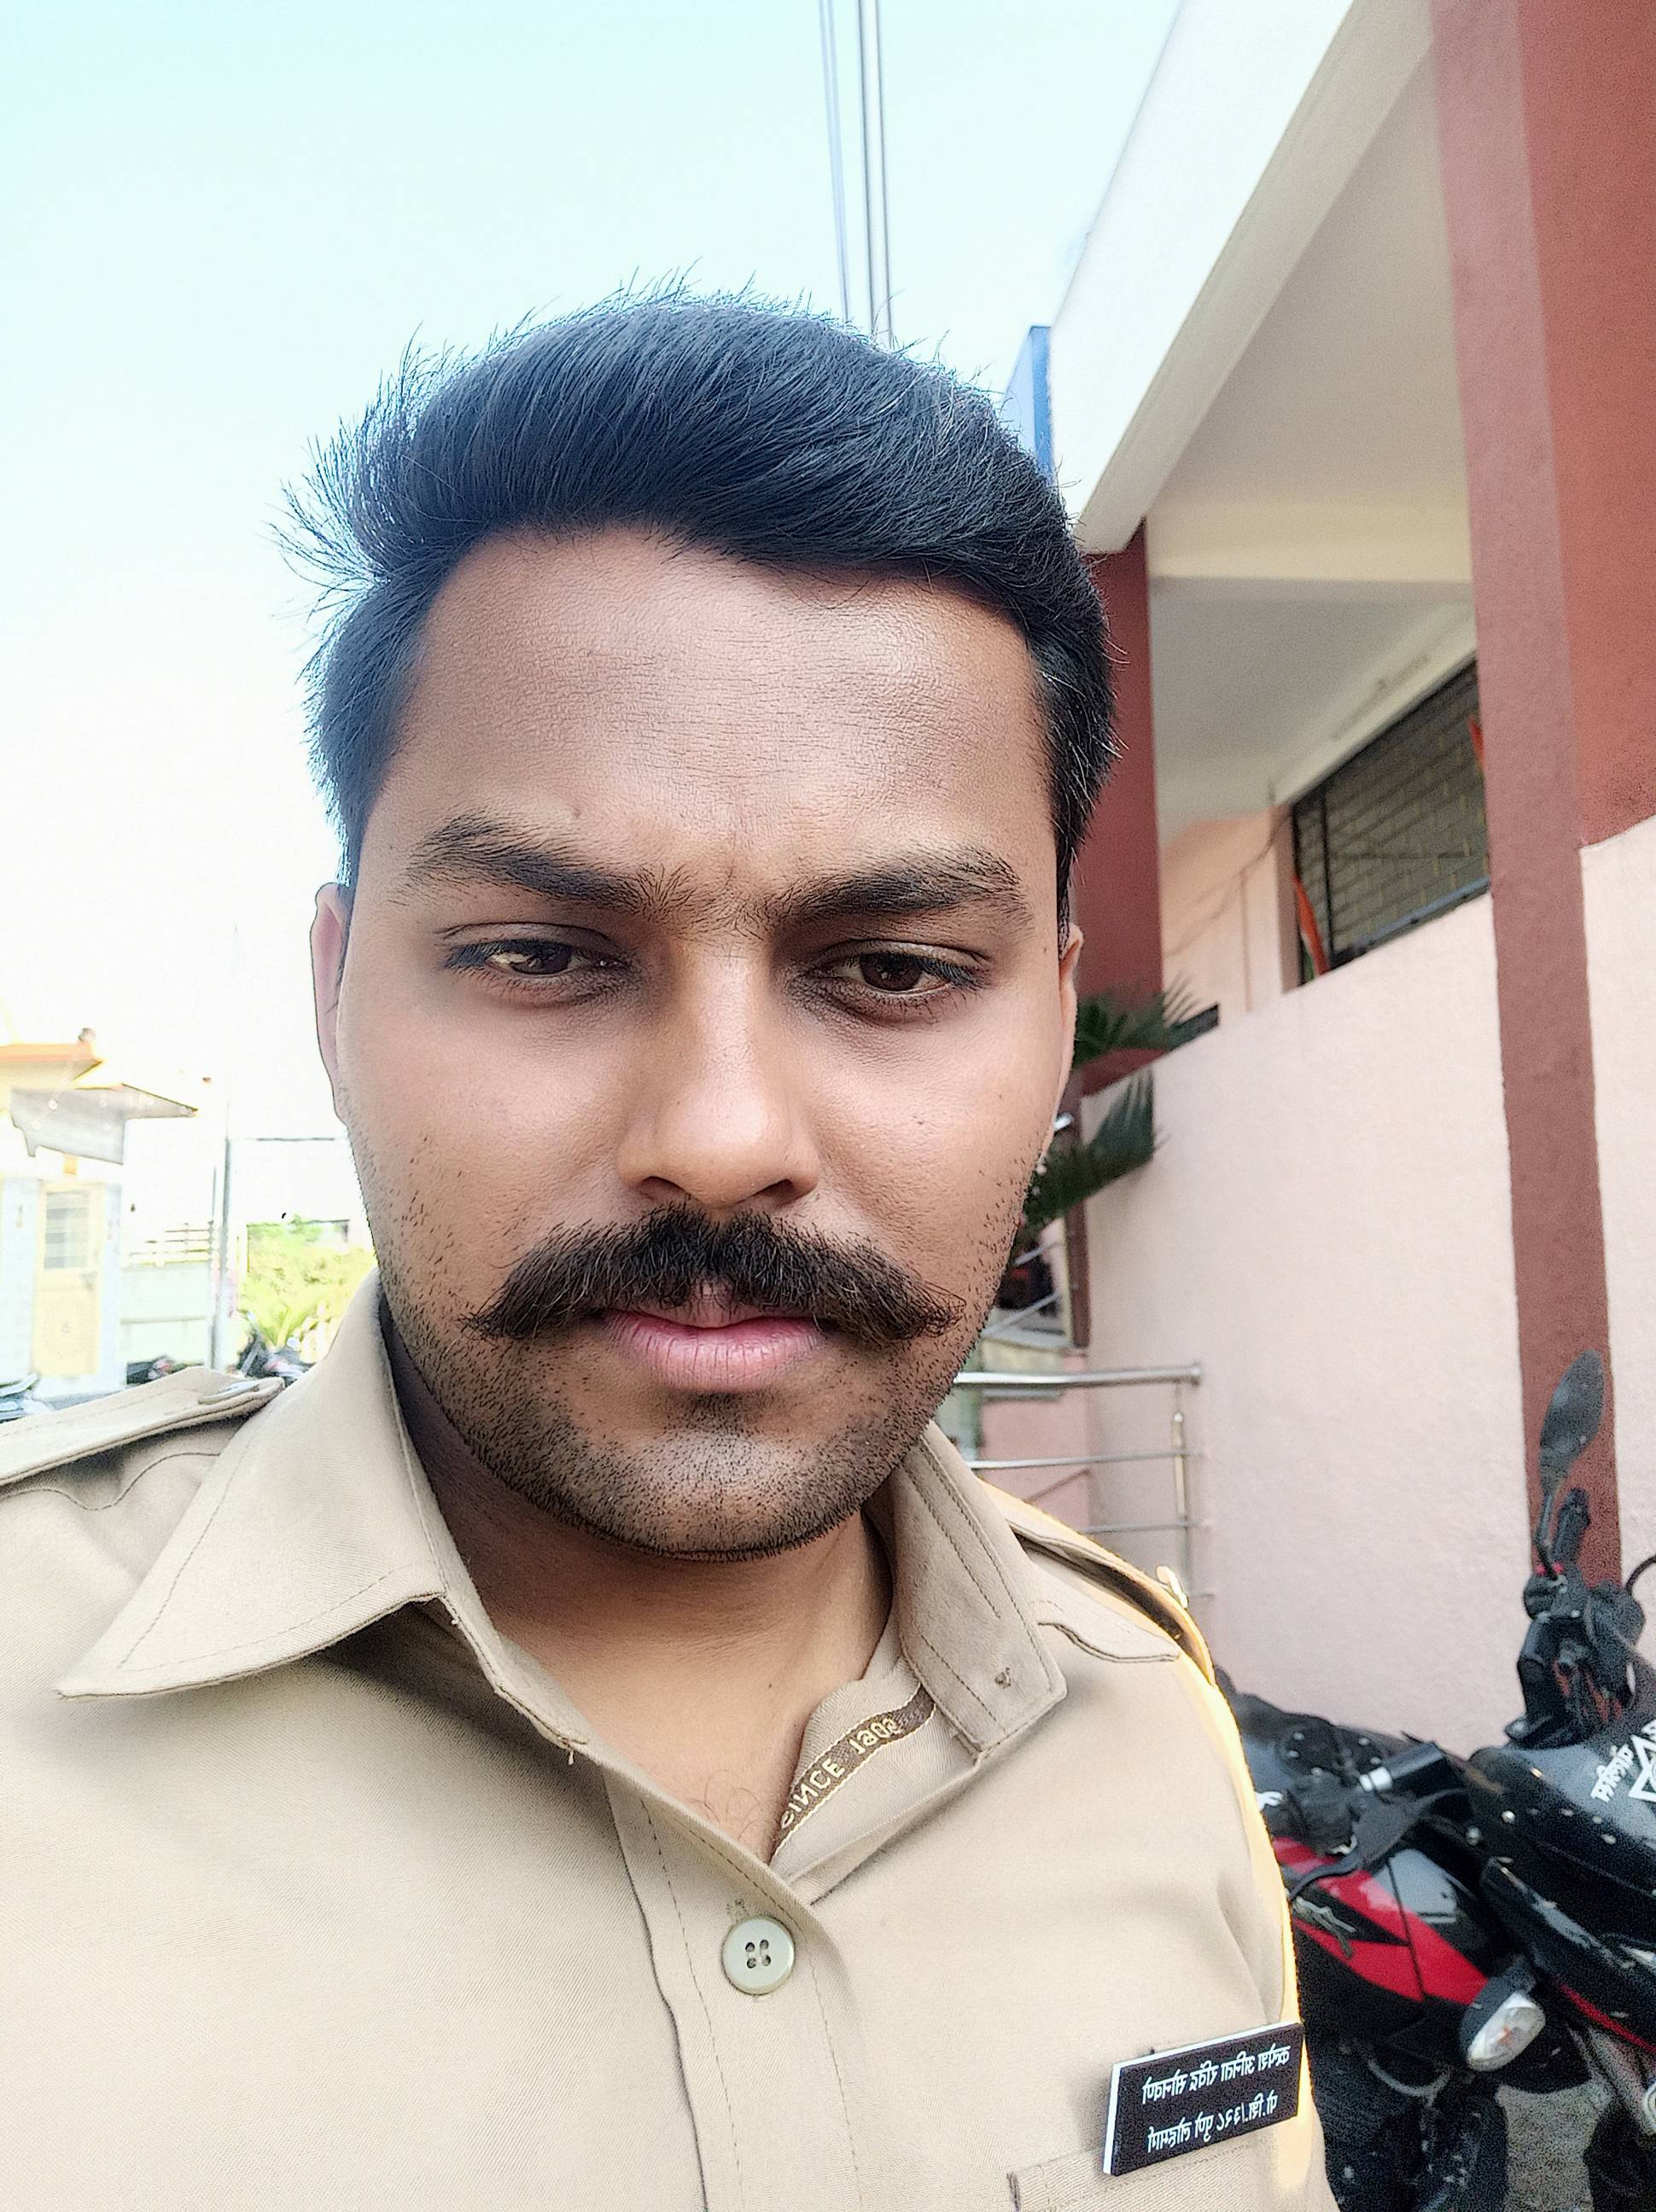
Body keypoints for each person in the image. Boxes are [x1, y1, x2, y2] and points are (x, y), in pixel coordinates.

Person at [2, 294, 1333, 2209]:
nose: (717, 1137)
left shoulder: (1142, 1715)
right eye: (541, 954)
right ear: (335, 997)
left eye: (894, 969)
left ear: (1054, 1026)